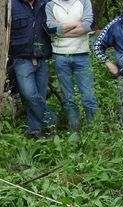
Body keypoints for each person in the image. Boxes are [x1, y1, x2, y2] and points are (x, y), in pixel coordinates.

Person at [0, 0, 56, 138]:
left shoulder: (46, 4)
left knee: (39, 96)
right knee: (29, 94)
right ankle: (51, 120)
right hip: (22, 57)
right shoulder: (10, 5)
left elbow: (54, 25)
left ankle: (34, 130)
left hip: (43, 56)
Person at [45, 0, 98, 133]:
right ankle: (75, 132)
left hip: (82, 55)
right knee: (68, 97)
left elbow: (87, 26)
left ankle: (94, 132)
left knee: (88, 96)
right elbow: (50, 28)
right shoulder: (51, 5)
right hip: (60, 56)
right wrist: (76, 23)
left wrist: (61, 31)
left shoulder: (84, 2)